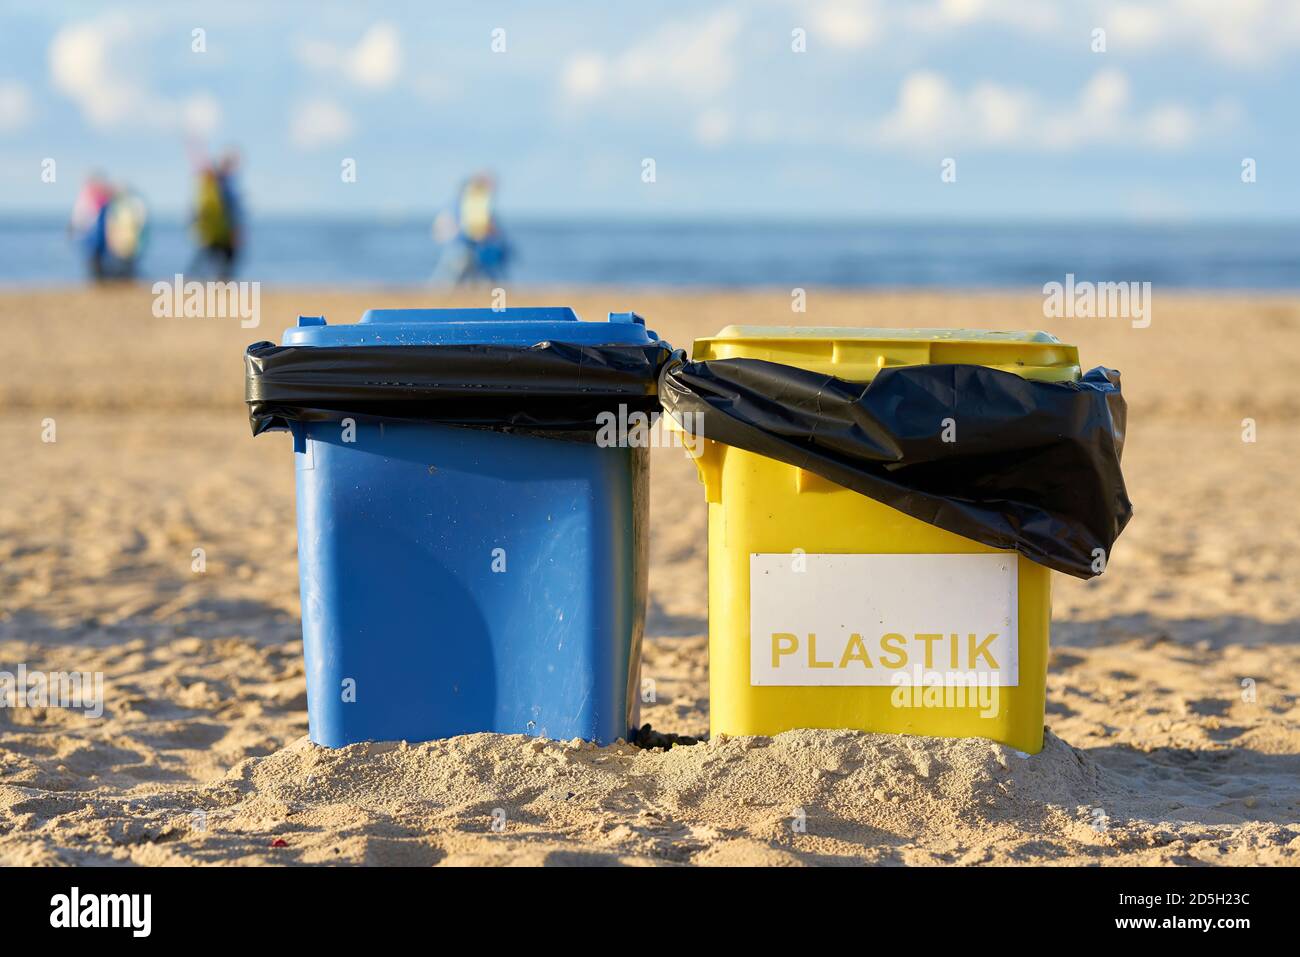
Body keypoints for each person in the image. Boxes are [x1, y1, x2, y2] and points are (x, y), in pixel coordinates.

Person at [432, 172, 511, 285]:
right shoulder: (474, 199)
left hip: (467, 244)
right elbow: (474, 223)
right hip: (465, 244)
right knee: (454, 274)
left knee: (457, 276)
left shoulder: (467, 199)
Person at [190, 149, 243, 279]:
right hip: (218, 231)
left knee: (214, 259)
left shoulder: (217, 184)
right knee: (214, 259)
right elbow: (232, 211)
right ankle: (194, 280)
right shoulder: (219, 185)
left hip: (216, 231)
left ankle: (218, 280)